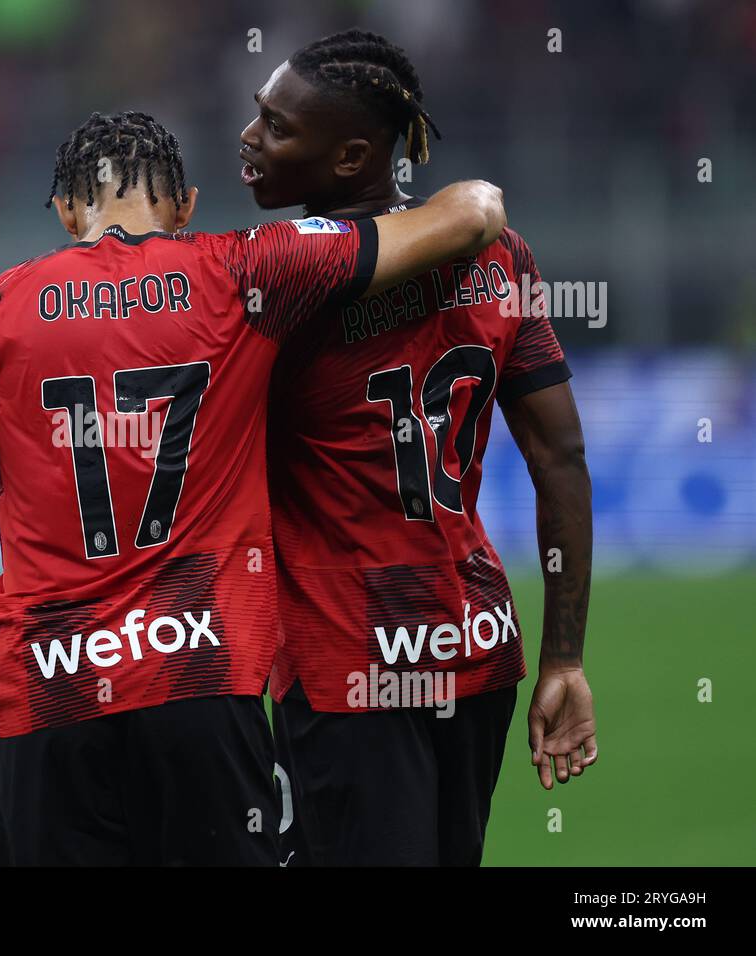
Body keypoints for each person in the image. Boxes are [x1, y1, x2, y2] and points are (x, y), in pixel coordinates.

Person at [0, 109, 507, 865]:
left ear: (68, 210)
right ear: (188, 204)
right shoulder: (248, 272)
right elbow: (472, 216)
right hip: (202, 692)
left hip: (46, 699)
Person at [238, 30, 597, 866]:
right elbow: (561, 460)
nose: (250, 139)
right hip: (473, 643)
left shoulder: (280, 280)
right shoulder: (501, 257)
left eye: (277, 126)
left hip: (346, 657)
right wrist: (566, 659)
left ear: (352, 155)